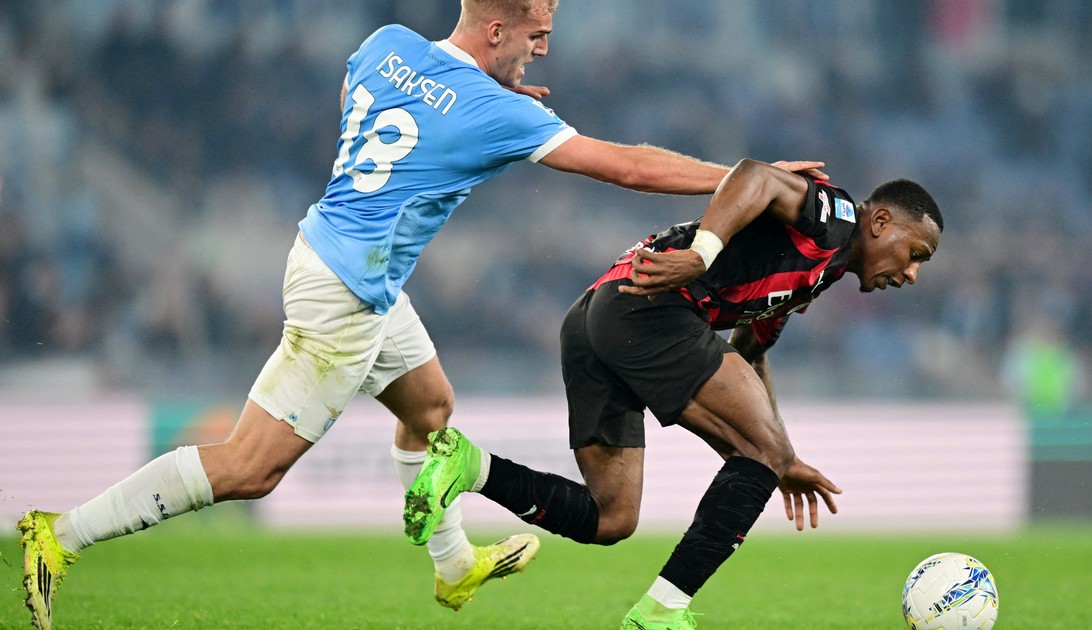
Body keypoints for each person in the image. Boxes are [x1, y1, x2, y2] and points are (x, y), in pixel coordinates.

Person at [15, 1, 828, 627]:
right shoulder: (498, 111)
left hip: (335, 255)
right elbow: (626, 167)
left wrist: (468, 107)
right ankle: (61, 535)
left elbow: (358, 102)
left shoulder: (387, 44)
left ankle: (451, 565)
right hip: (345, 290)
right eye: (538, 33)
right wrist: (746, 180)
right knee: (251, 467)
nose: (544, 48)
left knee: (431, 408)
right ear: (499, 29)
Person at [403, 158, 944, 629]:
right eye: (916, 253)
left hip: (597, 314)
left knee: (612, 516)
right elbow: (754, 175)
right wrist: (703, 254)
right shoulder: (836, 217)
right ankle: (661, 612)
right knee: (763, 449)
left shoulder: (816, 270)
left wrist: (781, 454)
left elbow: (750, 354)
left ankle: (469, 466)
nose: (913, 274)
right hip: (651, 307)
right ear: (880, 222)